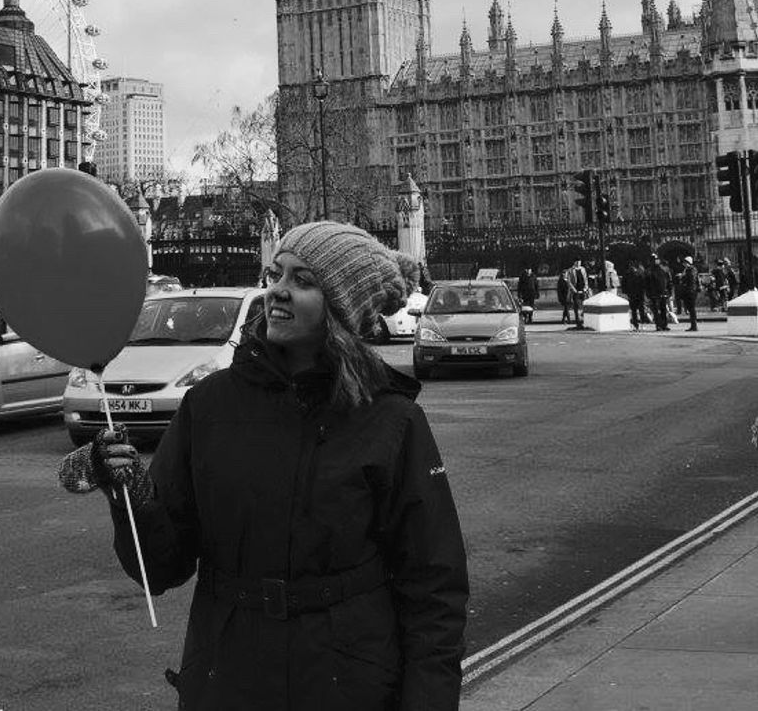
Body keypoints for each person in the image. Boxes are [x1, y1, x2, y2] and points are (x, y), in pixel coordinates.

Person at [60, 221, 469, 711]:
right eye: (276, 274)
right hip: (229, 676)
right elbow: (160, 568)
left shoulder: (392, 420)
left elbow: (434, 589)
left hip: (347, 682)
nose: (278, 290)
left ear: (342, 308)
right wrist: (131, 495)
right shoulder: (209, 405)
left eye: (303, 280)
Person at [645, 253, 673, 331]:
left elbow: (668, 281)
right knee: (657, 310)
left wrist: (669, 291)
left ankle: (663, 325)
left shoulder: (662, 269)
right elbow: (647, 283)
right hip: (655, 293)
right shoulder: (650, 271)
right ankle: (660, 325)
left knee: (662, 309)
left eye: (656, 260)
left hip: (661, 293)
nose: (655, 261)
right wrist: (648, 293)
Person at [676, 256, 699, 332]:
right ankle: (693, 325)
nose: (684, 264)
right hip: (689, 290)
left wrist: (683, 276)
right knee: (690, 308)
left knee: (691, 308)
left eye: (685, 262)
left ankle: (694, 326)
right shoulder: (688, 269)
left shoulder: (691, 269)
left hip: (690, 291)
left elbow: (691, 279)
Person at [624, 260, 649, 329]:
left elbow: (624, 285)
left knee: (634, 310)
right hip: (639, 293)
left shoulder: (627, 274)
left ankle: (635, 324)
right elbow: (644, 284)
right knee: (641, 309)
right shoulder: (640, 274)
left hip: (631, 294)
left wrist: (626, 292)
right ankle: (642, 323)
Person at [567, 259, 588, 329]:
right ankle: (578, 322)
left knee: (585, 306)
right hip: (575, 290)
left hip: (583, 290)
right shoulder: (570, 270)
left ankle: (584, 321)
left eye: (579, 261)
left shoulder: (583, 269)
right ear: (574, 262)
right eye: (577, 261)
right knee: (576, 306)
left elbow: (585, 279)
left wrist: (585, 288)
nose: (579, 263)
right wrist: (574, 290)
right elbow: (569, 281)